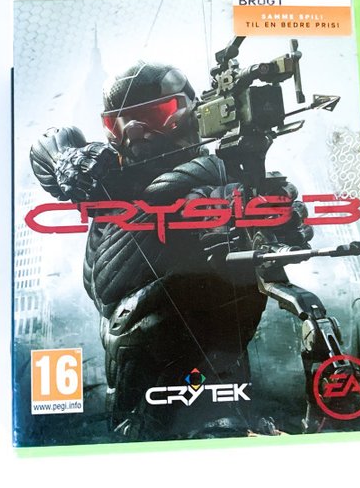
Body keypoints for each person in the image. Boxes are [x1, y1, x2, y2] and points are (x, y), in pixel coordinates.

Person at [29, 61, 311, 439]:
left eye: (154, 115)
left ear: (191, 112)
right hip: (129, 407)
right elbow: (49, 144)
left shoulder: (211, 181)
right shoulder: (108, 185)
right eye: (118, 122)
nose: (134, 131)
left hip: (203, 398)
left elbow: (245, 213)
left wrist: (262, 218)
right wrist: (67, 160)